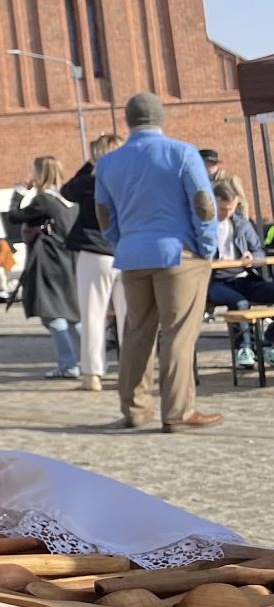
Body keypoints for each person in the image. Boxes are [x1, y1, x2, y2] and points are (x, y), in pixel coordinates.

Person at [95, 92, 221, 432]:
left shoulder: (108, 163)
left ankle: (135, 408)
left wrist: (122, 242)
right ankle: (178, 412)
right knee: (178, 333)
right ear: (161, 118)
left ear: (128, 121)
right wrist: (206, 247)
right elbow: (203, 204)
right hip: (178, 252)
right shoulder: (182, 153)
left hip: (132, 254)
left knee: (137, 331)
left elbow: (104, 213)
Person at [6, 156, 83, 380]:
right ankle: (89, 360)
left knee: (52, 314)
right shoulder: (68, 200)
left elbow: (15, 216)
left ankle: (68, 364)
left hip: (49, 261)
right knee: (72, 314)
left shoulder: (44, 201)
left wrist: (20, 192)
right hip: (69, 259)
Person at [62, 134, 126, 390]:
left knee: (93, 314)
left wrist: (90, 164)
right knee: (130, 316)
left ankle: (92, 372)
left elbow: (67, 190)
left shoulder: (91, 181)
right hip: (125, 250)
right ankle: (133, 368)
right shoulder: (128, 179)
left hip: (94, 250)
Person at [208, 174, 274, 364]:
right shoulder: (204, 226)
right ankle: (244, 349)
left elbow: (259, 250)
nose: (228, 213)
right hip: (216, 280)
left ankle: (269, 340)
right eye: (223, 209)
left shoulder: (241, 223)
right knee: (239, 302)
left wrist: (252, 258)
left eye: (232, 208)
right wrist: (217, 260)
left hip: (244, 276)